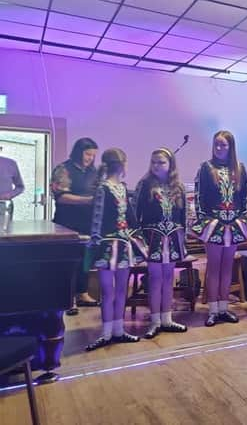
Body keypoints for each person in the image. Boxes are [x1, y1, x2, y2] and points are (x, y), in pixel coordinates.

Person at [192, 130, 247, 327]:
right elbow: (199, 198)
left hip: (233, 224)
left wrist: (242, 219)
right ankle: (212, 310)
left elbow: (243, 198)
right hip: (214, 225)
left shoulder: (240, 169)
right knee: (213, 267)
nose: (219, 148)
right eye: (216, 144)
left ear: (231, 147)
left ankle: (224, 308)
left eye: (223, 145)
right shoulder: (206, 168)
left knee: (228, 267)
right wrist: (205, 223)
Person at [86, 148, 141, 351]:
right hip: (107, 246)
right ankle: (106, 332)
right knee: (109, 291)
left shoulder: (124, 188)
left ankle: (118, 330)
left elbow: (129, 218)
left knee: (119, 290)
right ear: (123, 165)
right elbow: (97, 219)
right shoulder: (103, 188)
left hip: (123, 244)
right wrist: (95, 243)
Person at [134, 148, 188, 339]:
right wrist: (138, 242)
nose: (156, 166)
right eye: (154, 162)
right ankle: (155, 321)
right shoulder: (145, 184)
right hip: (152, 238)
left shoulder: (178, 187)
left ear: (170, 165)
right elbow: (135, 214)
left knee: (168, 278)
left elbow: (183, 216)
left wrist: (184, 240)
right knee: (155, 279)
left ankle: (167, 318)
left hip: (173, 237)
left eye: (161, 162)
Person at [50, 137, 100, 315]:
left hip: (88, 223)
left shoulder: (94, 172)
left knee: (85, 260)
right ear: (78, 151)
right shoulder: (64, 169)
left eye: (93, 155)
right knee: (69, 262)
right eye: (88, 154)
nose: (90, 158)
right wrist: (88, 201)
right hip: (67, 223)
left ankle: (82, 293)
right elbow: (61, 197)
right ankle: (68, 298)